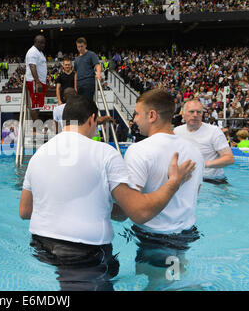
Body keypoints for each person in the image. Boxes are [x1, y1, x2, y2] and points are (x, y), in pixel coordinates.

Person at [19, 95, 196, 291]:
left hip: (41, 246)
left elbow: (25, 211)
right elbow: (138, 213)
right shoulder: (103, 153)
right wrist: (173, 183)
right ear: (92, 119)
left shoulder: (39, 154)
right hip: (83, 252)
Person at [124, 89, 204, 289]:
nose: (134, 119)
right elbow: (197, 192)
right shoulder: (195, 151)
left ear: (151, 115)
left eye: (136, 113)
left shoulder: (139, 151)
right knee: (173, 280)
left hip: (154, 237)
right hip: (185, 235)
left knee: (157, 285)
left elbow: (133, 210)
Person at [174, 99, 234, 184]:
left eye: (198, 112)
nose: (195, 115)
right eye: (191, 112)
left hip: (213, 181)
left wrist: (204, 164)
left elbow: (229, 159)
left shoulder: (214, 132)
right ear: (183, 115)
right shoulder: (177, 131)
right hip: (187, 180)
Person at [25, 35, 47, 121]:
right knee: (35, 106)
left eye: (44, 43)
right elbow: (32, 66)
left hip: (40, 81)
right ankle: (35, 129)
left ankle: (36, 127)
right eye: (41, 43)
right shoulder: (32, 52)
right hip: (35, 82)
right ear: (36, 42)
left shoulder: (39, 52)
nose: (43, 45)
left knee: (38, 106)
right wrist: (38, 82)